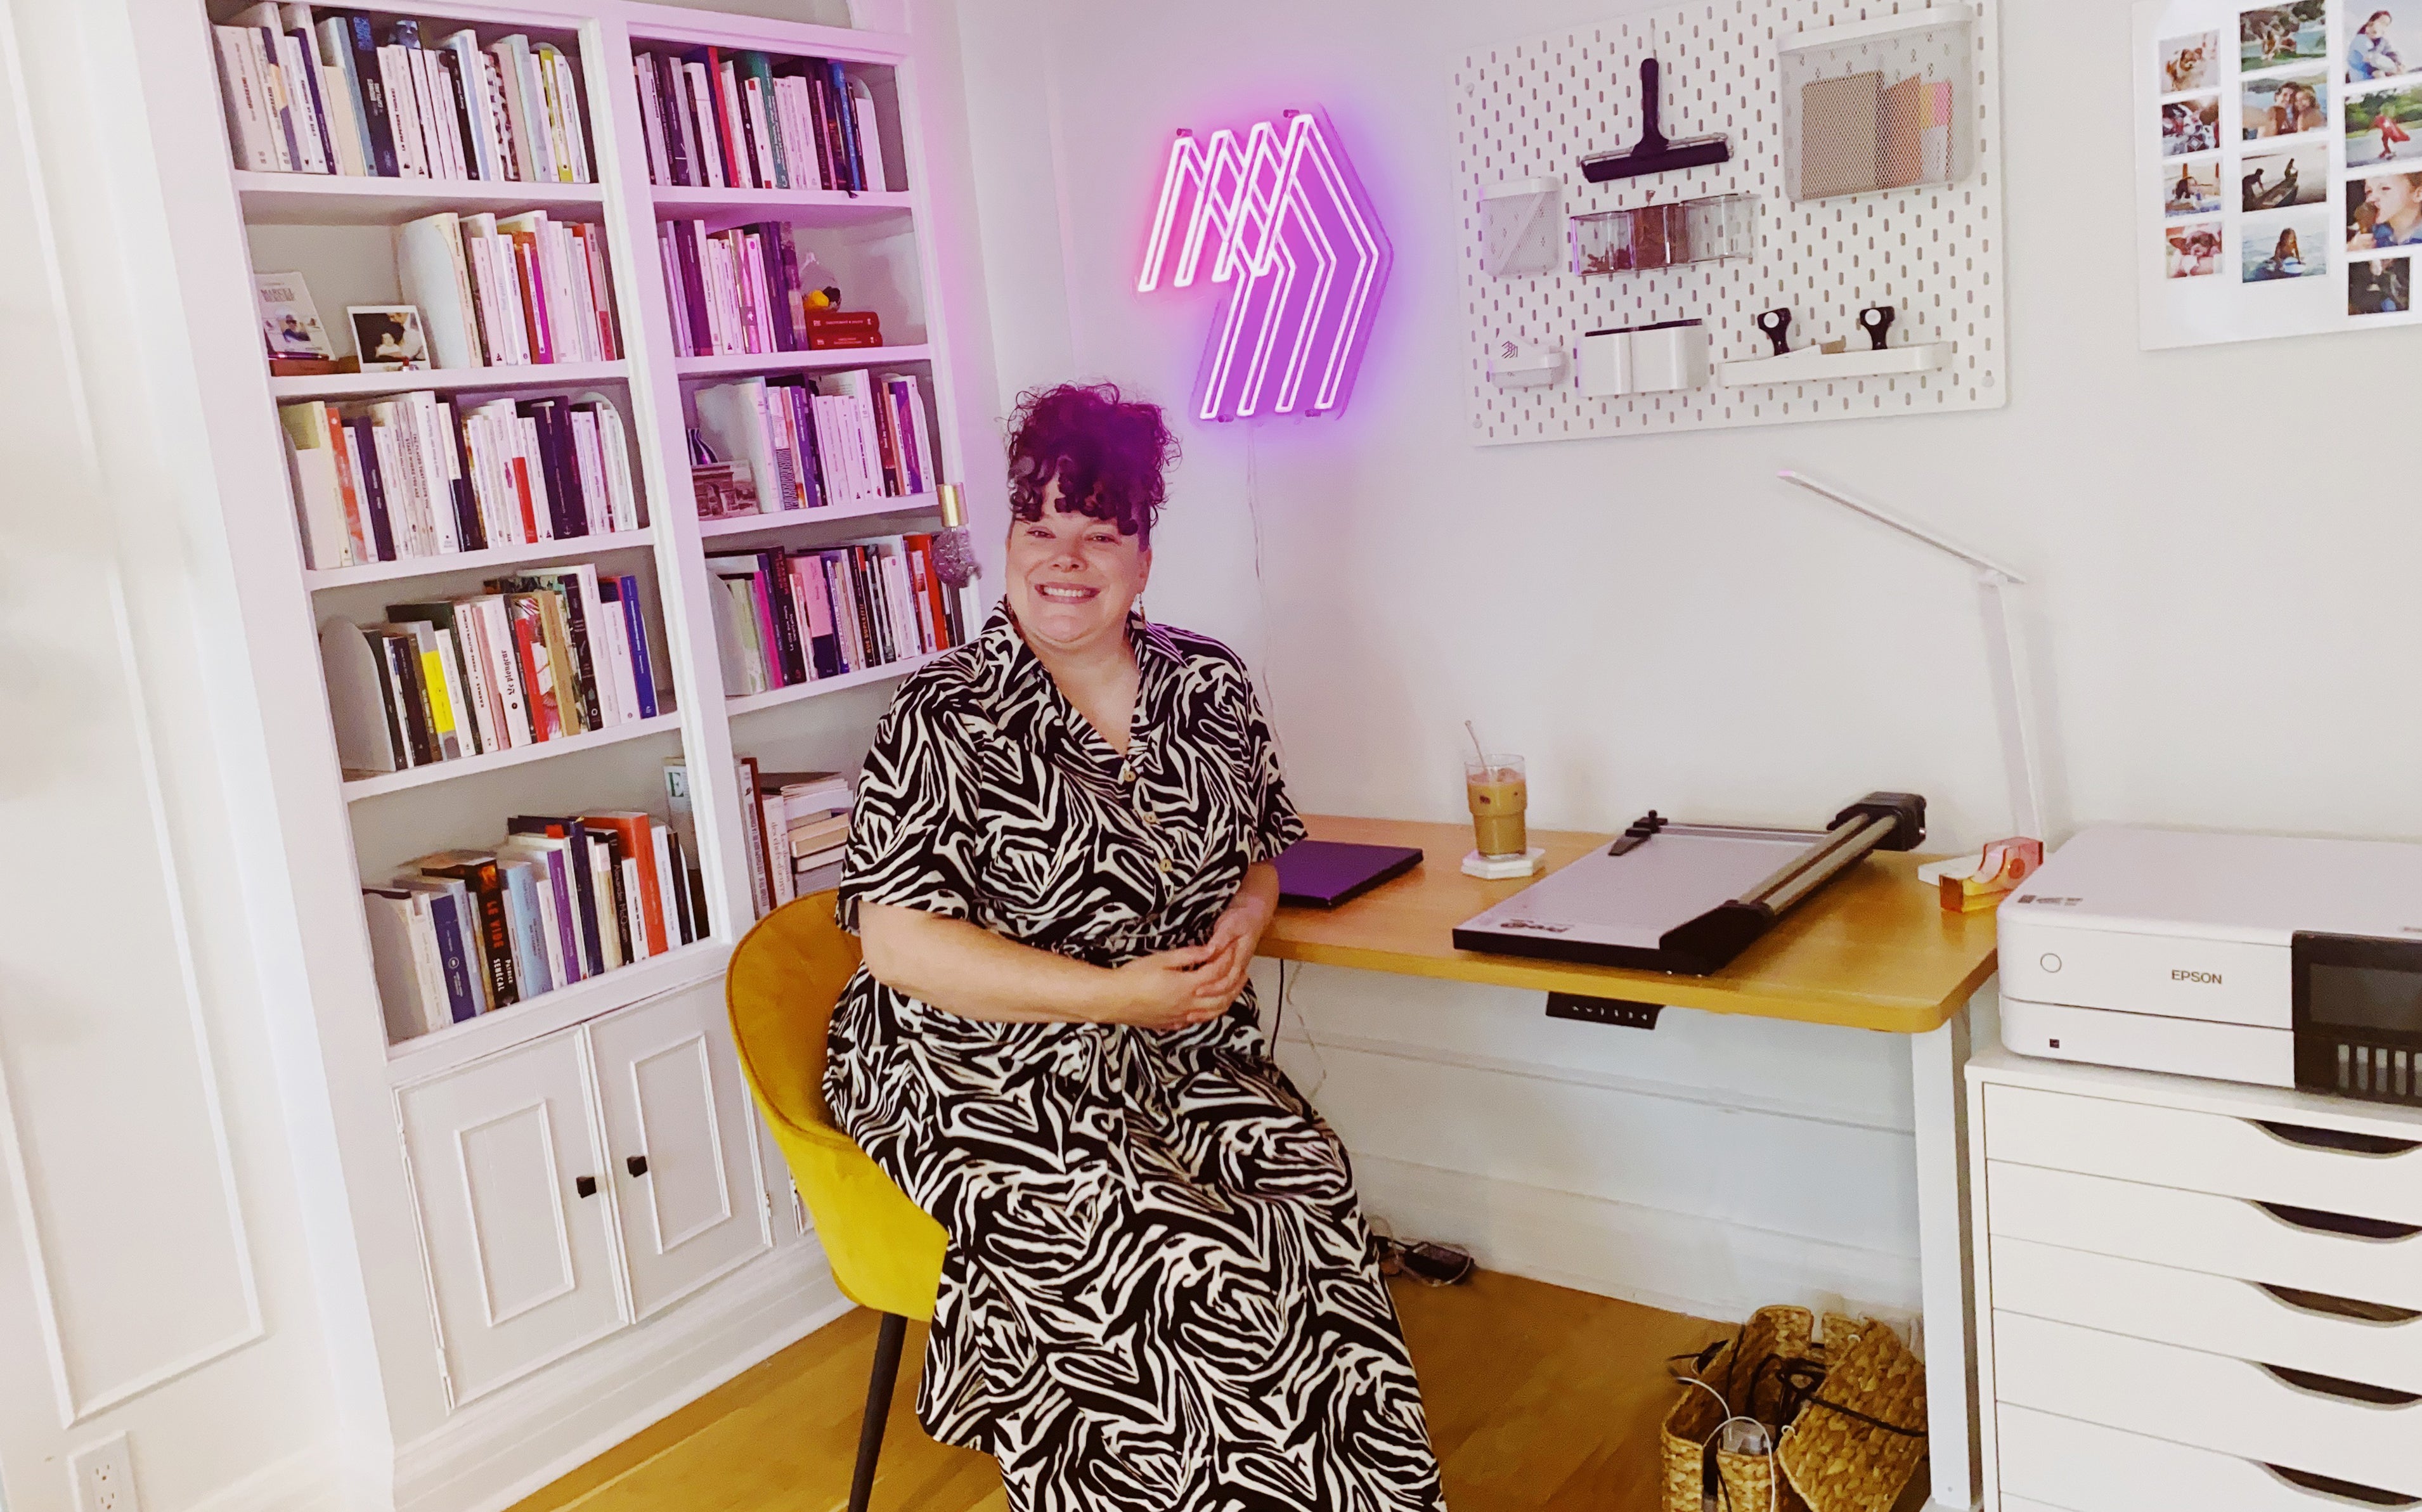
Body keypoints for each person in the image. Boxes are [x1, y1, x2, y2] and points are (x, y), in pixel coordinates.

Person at [824, 382, 1446, 1512]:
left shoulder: (1207, 683)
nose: (1065, 559)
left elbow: (1262, 853)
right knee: (1170, 1257)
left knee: (1305, 1195)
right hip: (976, 1067)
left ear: (1144, 556)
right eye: (1040, 528)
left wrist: (1245, 925)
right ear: (1008, 543)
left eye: (1098, 533)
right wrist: (1111, 994)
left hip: (1172, 1050)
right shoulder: (940, 713)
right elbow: (899, 945)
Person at [2352, 169, 2422, 245]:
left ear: (2418, 194)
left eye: (2385, 189)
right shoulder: (2370, 235)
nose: (2371, 198)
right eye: (2369, 191)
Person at [2350, 11, 2405, 81]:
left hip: (2381, 66)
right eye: (2382, 22)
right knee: (2379, 73)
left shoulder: (2382, 40)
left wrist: (2398, 63)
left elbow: (2390, 52)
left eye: (2386, 25)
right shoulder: (2362, 39)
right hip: (2366, 73)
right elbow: (2369, 58)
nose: (2383, 26)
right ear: (2372, 21)